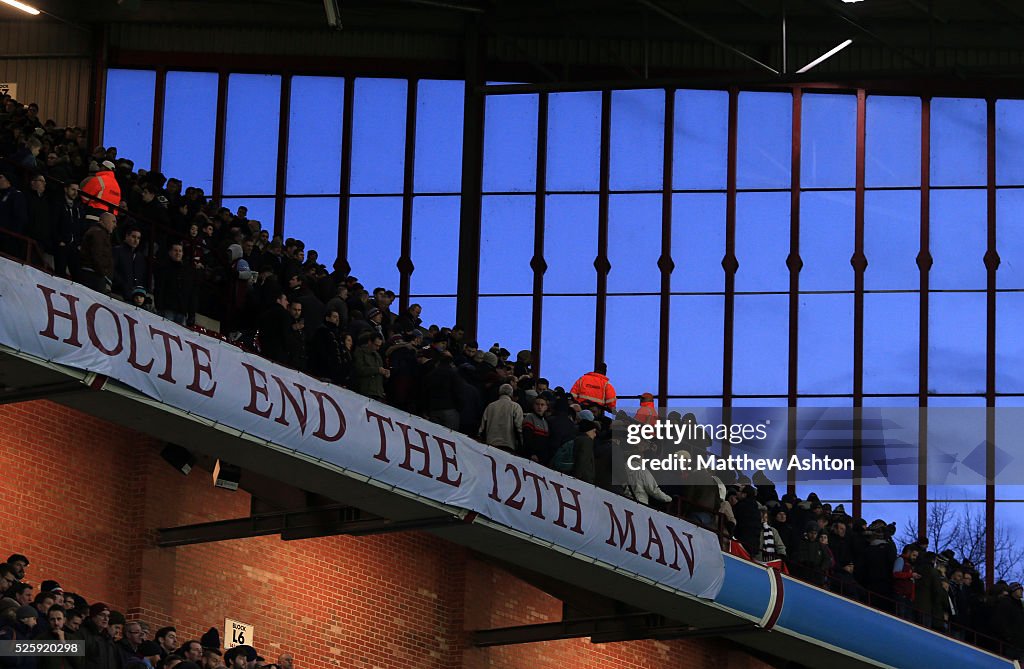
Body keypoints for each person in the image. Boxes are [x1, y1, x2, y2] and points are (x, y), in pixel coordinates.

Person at [153, 242, 197, 326]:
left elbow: (191, 293)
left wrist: (191, 314)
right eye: (175, 250)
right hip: (167, 309)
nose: (178, 253)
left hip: (182, 312)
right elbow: (159, 288)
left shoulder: (187, 271)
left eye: (180, 251)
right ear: (170, 252)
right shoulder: (164, 268)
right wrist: (159, 306)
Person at [78, 211, 117, 293]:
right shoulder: (98, 233)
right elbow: (97, 256)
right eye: (113, 221)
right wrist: (104, 274)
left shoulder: (100, 233)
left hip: (94, 275)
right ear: (104, 220)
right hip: (93, 276)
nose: (115, 225)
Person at [479, 384, 523, 454]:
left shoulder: (490, 406)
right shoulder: (516, 406)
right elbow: (519, 428)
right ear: (511, 394)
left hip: (490, 444)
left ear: (499, 392)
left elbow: (481, 428)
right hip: (509, 445)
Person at [351, 332, 388, 401]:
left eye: (379, 346)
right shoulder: (360, 352)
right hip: (366, 392)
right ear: (370, 342)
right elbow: (359, 370)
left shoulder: (378, 356)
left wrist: (385, 374)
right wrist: (377, 370)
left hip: (378, 393)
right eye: (376, 345)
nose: (378, 348)